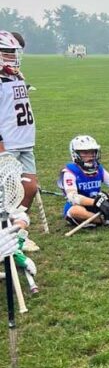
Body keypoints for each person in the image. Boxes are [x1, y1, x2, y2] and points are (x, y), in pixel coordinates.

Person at [0, 31, 40, 251]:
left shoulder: (15, 75)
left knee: (30, 188)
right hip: (8, 144)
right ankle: (9, 236)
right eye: (7, 52)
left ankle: (17, 230)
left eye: (14, 52)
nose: (13, 56)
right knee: (7, 195)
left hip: (24, 142)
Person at [58, 135, 109, 228]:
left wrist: (107, 196)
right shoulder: (70, 171)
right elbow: (72, 196)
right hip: (80, 205)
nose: (90, 156)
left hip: (98, 204)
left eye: (92, 152)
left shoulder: (99, 169)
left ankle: (98, 220)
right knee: (76, 211)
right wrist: (95, 202)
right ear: (75, 154)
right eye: (85, 153)